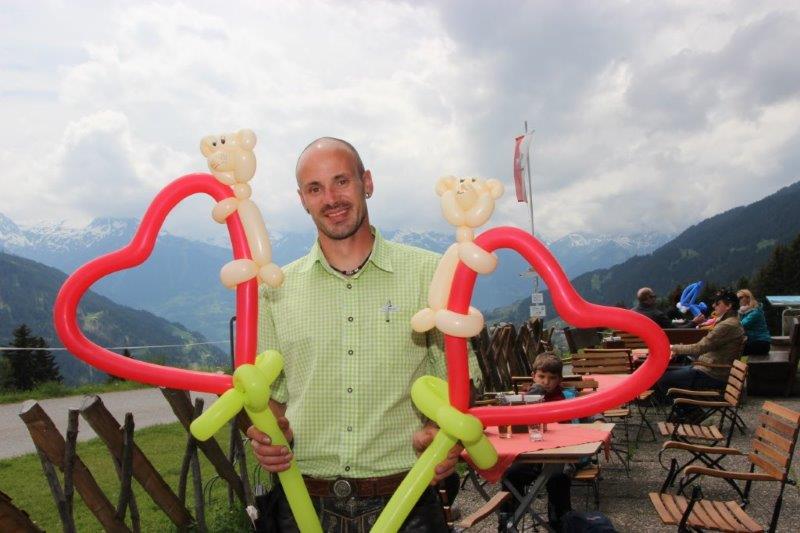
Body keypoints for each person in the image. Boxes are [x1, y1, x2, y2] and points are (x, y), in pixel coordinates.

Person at [246, 137, 481, 532]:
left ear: (367, 182)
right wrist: (265, 435)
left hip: (406, 501)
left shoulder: (431, 274)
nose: (330, 199)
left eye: (341, 181)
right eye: (315, 188)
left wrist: (442, 434)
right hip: (301, 504)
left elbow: (461, 383)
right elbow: (265, 398)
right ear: (302, 199)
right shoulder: (274, 290)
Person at [498, 353, 572, 531]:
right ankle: (508, 519)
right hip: (531, 455)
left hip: (556, 455)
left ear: (559, 380)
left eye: (552, 378)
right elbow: (516, 423)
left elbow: (565, 430)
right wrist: (533, 395)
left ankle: (559, 521)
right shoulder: (525, 399)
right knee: (511, 474)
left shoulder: (561, 400)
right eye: (541, 377)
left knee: (558, 478)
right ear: (533, 376)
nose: (546, 382)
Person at [654, 289, 744, 403]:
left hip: (713, 374)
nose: (713, 305)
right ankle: (687, 408)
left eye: (717, 303)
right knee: (666, 372)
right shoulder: (731, 322)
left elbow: (699, 348)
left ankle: (689, 410)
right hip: (711, 368)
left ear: (729, 306)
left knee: (663, 379)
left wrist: (672, 348)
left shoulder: (727, 325)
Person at [736, 289, 771, 356]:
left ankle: (735, 363)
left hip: (761, 343)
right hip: (753, 341)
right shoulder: (743, 311)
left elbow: (741, 325)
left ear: (748, 298)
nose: (738, 300)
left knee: (734, 350)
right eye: (737, 298)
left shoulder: (756, 311)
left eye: (740, 297)